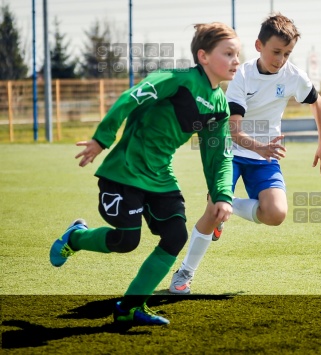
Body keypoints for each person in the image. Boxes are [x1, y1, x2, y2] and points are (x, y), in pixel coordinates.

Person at [49, 22, 240, 325]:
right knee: (127, 241)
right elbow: (131, 98)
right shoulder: (177, 80)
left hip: (160, 177)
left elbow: (219, 155)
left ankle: (130, 308)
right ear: (203, 56)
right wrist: (102, 138)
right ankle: (76, 237)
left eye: (237, 54)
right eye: (228, 53)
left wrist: (222, 195)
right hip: (124, 171)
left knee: (175, 235)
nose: (236, 60)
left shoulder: (219, 105)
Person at [169, 13, 321, 295]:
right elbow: (233, 131)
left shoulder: (294, 76)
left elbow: (316, 102)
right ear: (259, 46)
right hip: (230, 151)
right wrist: (260, 147)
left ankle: (227, 205)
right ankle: (184, 272)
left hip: (263, 157)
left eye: (287, 53)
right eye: (276, 52)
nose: (281, 59)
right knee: (213, 210)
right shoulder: (242, 75)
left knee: (276, 213)